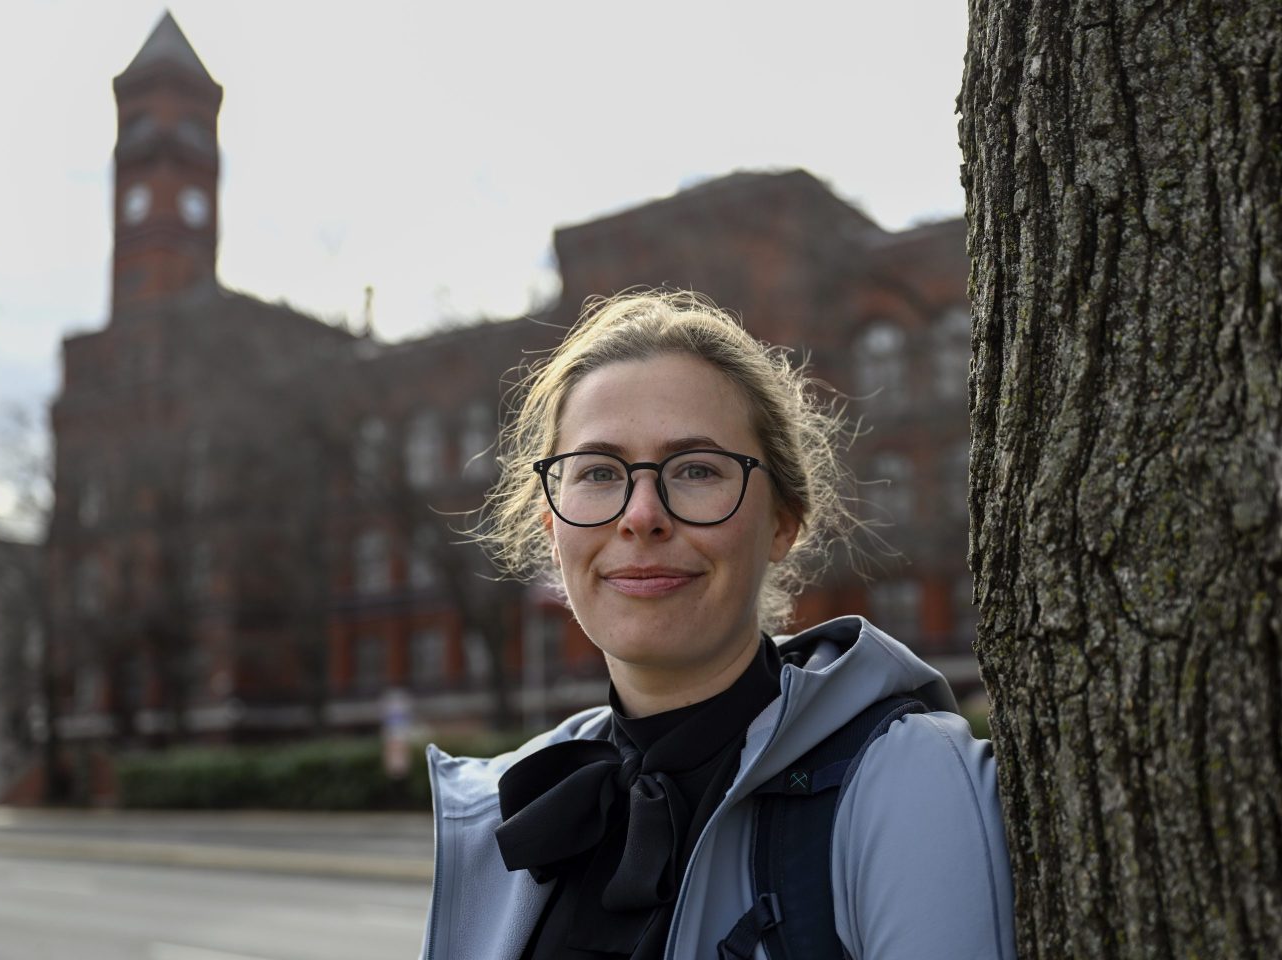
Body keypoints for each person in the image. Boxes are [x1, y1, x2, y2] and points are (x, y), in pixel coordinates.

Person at [419, 291, 1015, 960]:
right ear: (552, 525)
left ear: (782, 522)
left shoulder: (909, 780)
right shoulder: (513, 805)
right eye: (597, 472)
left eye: (697, 469)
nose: (641, 514)